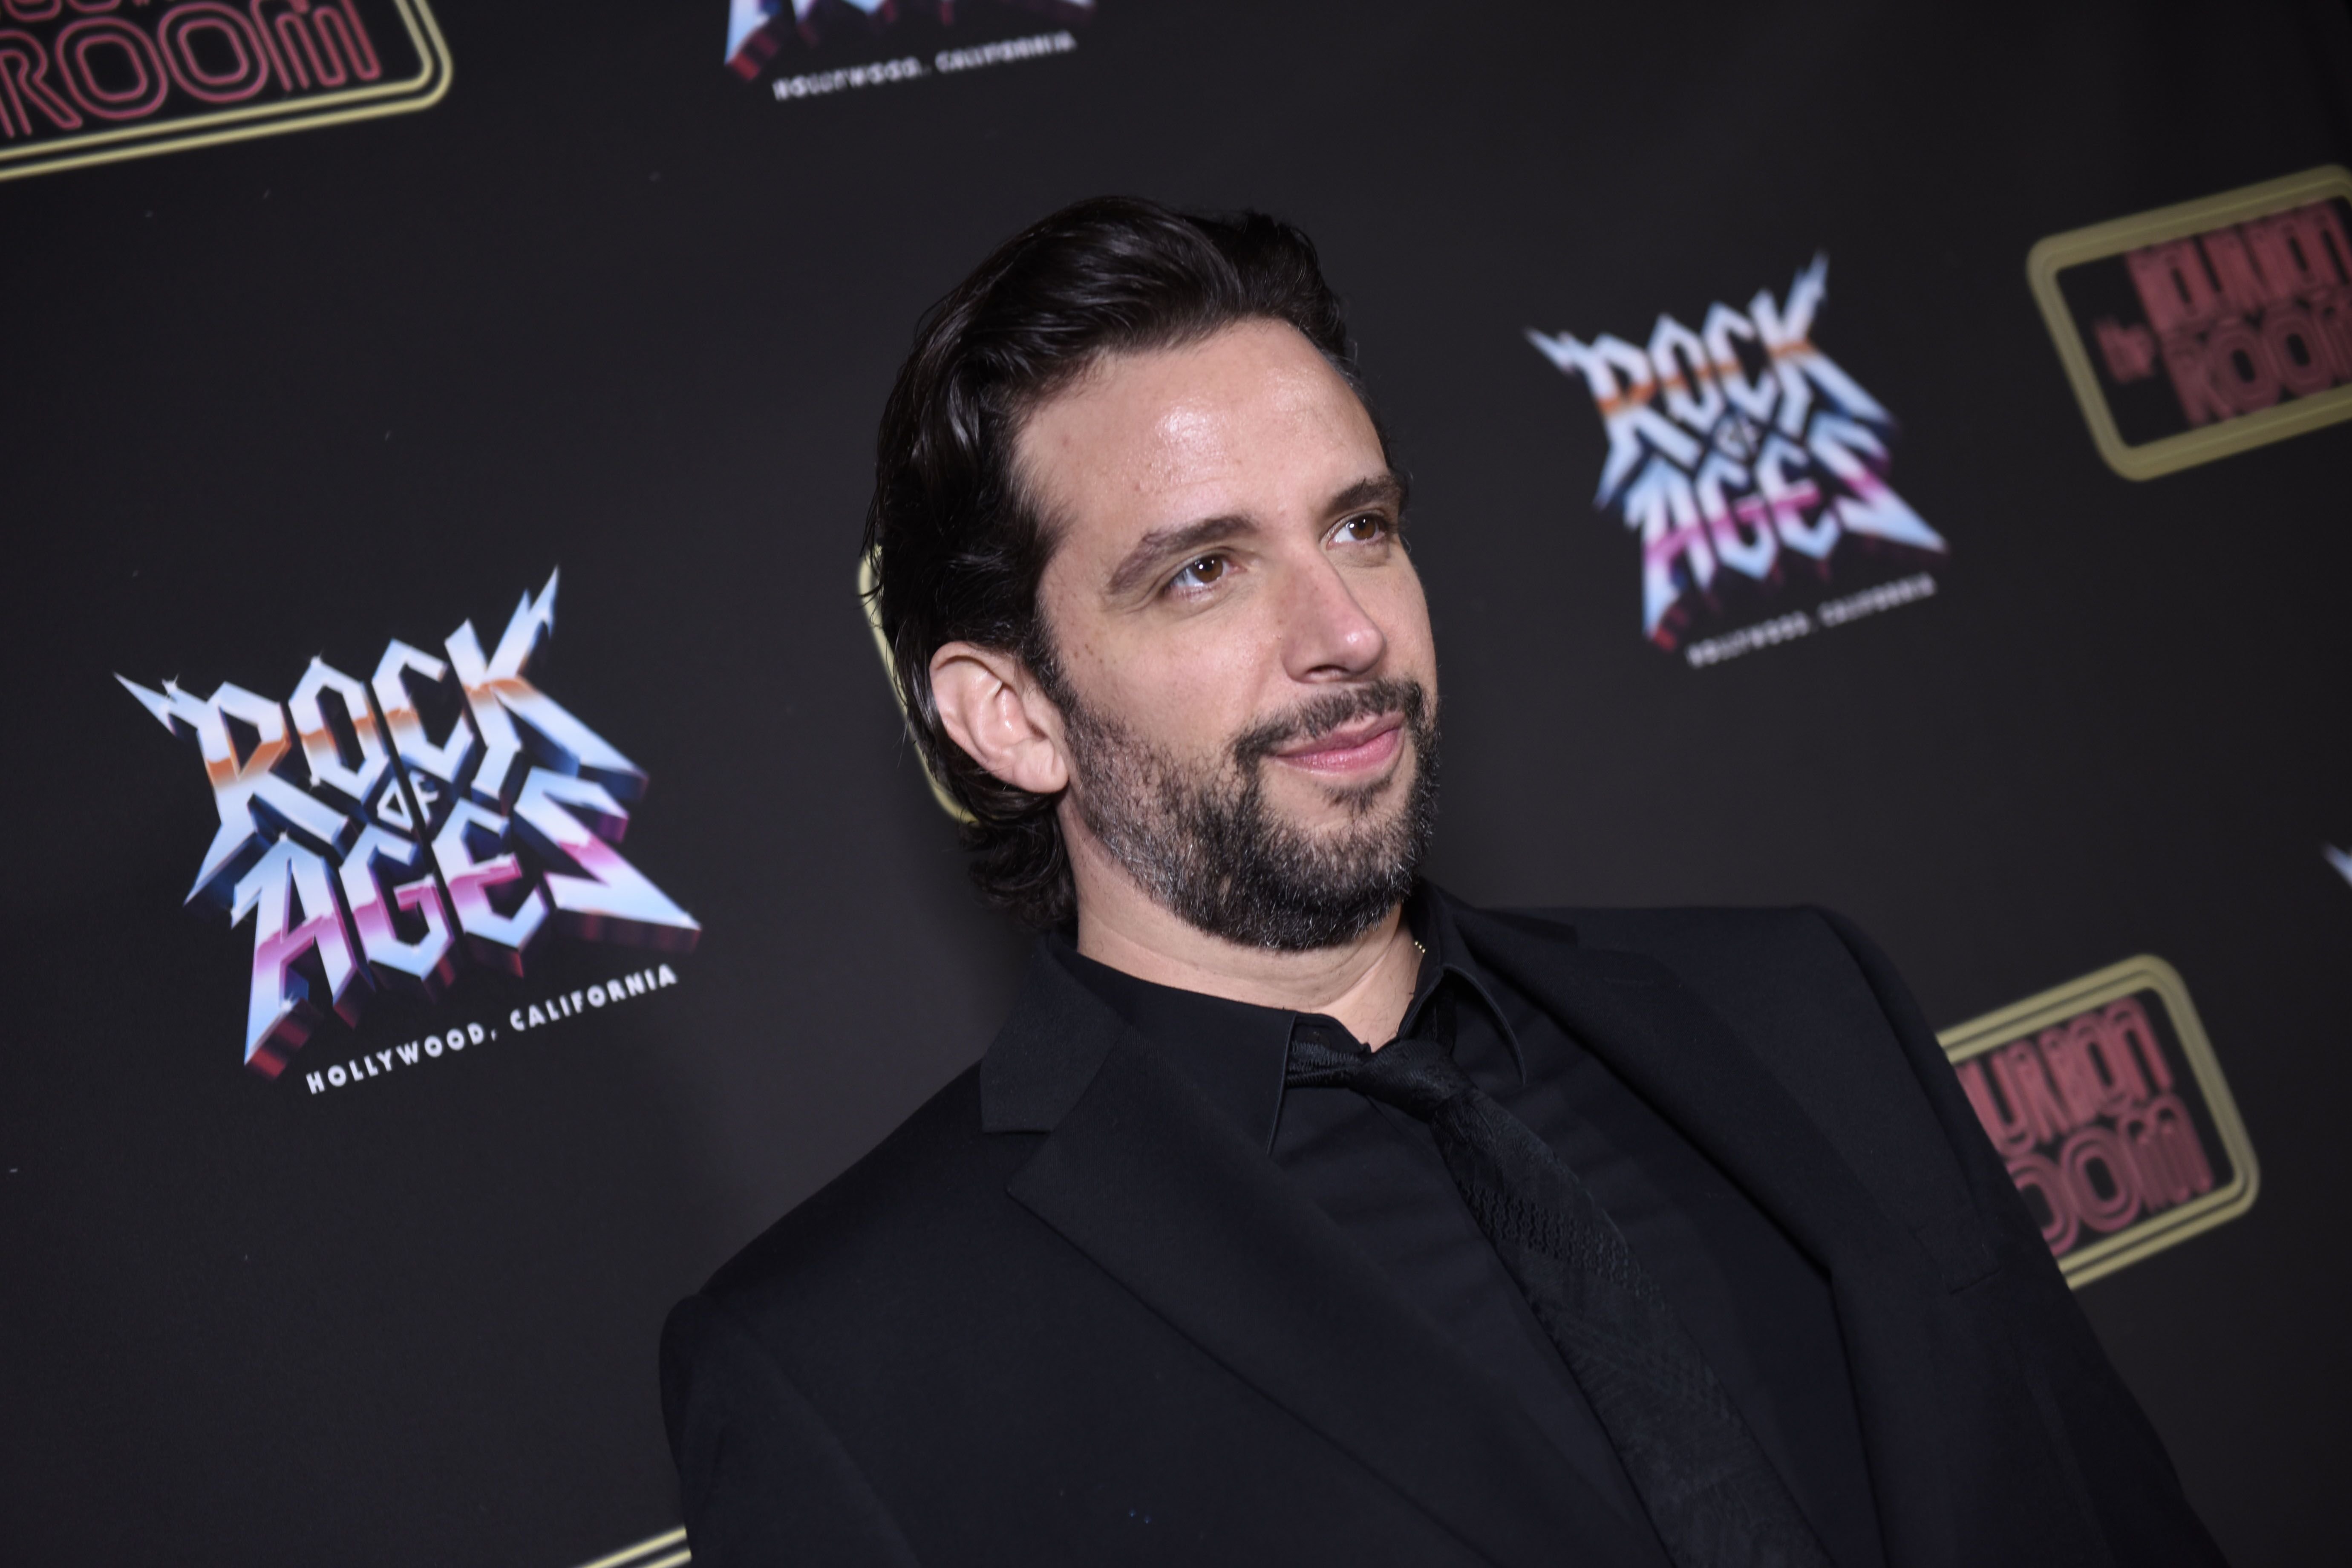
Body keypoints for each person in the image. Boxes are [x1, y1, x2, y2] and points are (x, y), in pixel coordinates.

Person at [660, 197, 2224, 1567]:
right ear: (1014, 717)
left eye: (1362, 526)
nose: (1345, 631)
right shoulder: (851, 1366)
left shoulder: (1800, 1003)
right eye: (1205, 570)